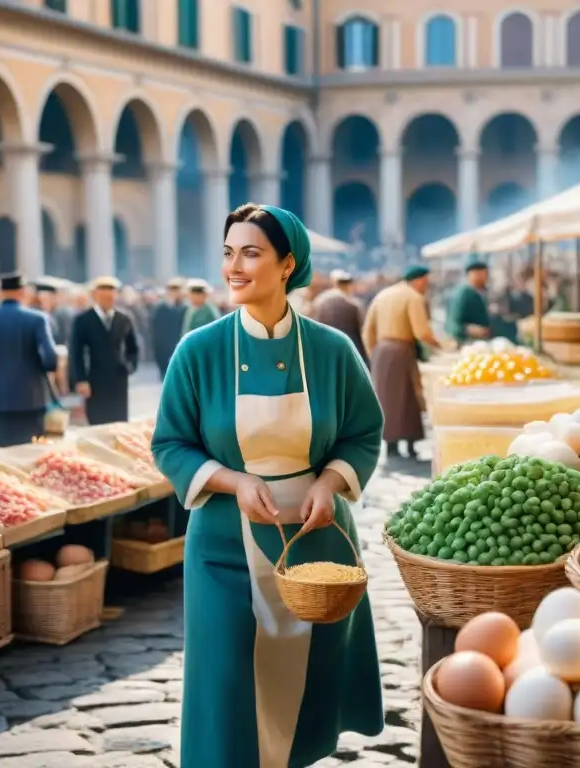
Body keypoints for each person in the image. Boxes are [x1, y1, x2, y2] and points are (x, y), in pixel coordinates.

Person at [152, 203, 384, 768]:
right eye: (228, 253)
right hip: (223, 546)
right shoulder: (198, 351)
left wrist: (329, 484)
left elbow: (363, 434)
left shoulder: (332, 350)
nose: (234, 266)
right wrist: (232, 480)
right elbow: (170, 443)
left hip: (314, 541)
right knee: (228, 682)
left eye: (251, 253)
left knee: (306, 681)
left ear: (288, 265)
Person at [0, 273, 59, 447]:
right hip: (32, 397)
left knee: (1, 453)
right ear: (22, 292)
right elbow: (50, 358)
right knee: (33, 453)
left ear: (1, 293)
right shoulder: (37, 319)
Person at [362, 265, 440, 459]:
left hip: (381, 351)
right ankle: (411, 444)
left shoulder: (381, 296)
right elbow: (421, 332)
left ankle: (391, 445)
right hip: (401, 350)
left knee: (387, 400)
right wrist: (440, 346)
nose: (426, 287)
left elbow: (367, 332)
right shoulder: (413, 297)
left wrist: (375, 353)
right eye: (426, 282)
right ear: (419, 280)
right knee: (409, 398)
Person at [70, 276, 139, 425]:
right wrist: (81, 380)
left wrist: (129, 366)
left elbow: (133, 347)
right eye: (103, 297)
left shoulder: (124, 319)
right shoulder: (83, 320)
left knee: (119, 422)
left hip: (118, 378)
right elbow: (76, 352)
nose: (108, 301)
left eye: (111, 297)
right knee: (97, 421)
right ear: (95, 296)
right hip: (94, 379)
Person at [311, 269, 368, 365]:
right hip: (350, 349)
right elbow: (363, 329)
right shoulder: (354, 303)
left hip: (326, 349)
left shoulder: (320, 300)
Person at [446, 258, 492, 344]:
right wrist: (470, 329)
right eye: (480, 274)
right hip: (468, 343)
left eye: (485, 274)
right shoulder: (464, 293)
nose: (485, 277)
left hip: (484, 341)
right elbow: (454, 323)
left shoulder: (484, 292)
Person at [151, 277, 187, 377]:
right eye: (173, 290)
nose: (176, 292)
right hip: (165, 348)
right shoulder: (161, 308)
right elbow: (156, 330)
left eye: (178, 289)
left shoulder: (187, 308)